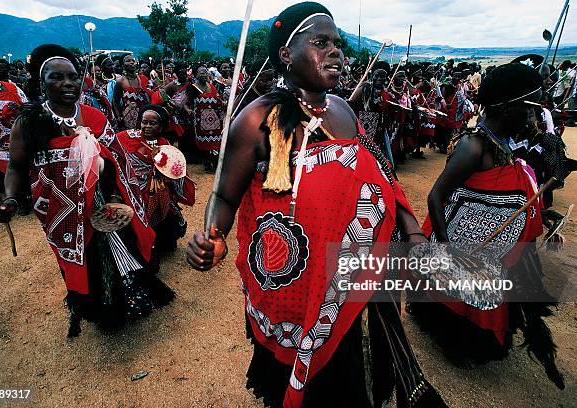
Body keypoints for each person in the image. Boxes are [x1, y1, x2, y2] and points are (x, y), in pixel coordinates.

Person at [186, 3, 445, 407]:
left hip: (355, 271)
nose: (336, 52)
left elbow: (380, 173)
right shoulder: (256, 121)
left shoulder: (342, 109)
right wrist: (213, 237)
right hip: (296, 283)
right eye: (320, 43)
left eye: (338, 44)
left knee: (347, 372)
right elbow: (223, 194)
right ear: (286, 55)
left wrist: (411, 229)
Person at [0, 44, 172, 337]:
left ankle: (126, 303)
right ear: (41, 82)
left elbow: (115, 161)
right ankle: (97, 310)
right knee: (84, 258)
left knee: (119, 251)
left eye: (73, 77)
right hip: (61, 211)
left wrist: (114, 197)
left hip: (103, 202)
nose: (67, 84)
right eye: (56, 77)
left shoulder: (94, 117)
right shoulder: (29, 123)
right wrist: (10, 199)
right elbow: (16, 167)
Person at [414, 63, 564, 389]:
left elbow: (506, 191)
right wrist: (447, 252)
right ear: (505, 107)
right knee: (455, 298)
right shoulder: (474, 146)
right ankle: (453, 340)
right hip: (459, 241)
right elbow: (436, 196)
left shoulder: (506, 142)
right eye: (528, 109)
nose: (532, 118)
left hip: (488, 246)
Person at [115, 104, 194, 257]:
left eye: (153, 123)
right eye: (144, 122)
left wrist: (167, 176)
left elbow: (175, 172)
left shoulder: (165, 144)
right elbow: (111, 153)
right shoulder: (126, 138)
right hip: (134, 191)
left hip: (159, 192)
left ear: (161, 126)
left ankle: (160, 243)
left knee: (166, 212)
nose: (147, 126)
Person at [183, 64, 226, 173]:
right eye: (201, 73)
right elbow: (186, 103)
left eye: (206, 72)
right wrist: (188, 110)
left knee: (216, 142)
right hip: (200, 121)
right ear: (196, 74)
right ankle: (207, 164)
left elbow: (218, 100)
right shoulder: (192, 88)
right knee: (204, 142)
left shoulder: (211, 86)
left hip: (214, 120)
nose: (204, 75)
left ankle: (215, 163)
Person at [113, 54, 151, 130]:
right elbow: (115, 101)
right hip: (127, 118)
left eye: (133, 60)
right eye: (128, 61)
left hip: (142, 117)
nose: (131, 62)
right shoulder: (120, 81)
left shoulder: (141, 79)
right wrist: (118, 117)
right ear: (123, 65)